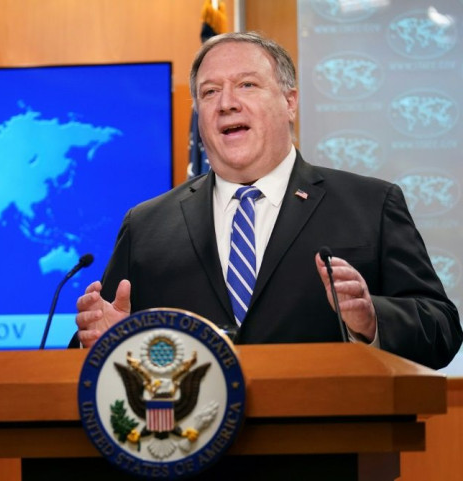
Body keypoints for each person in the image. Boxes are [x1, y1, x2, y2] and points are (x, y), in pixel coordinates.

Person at [73, 31, 462, 370]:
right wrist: (107, 341)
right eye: (210, 92)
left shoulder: (371, 204)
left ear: (290, 102)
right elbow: (94, 344)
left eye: (246, 85)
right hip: (191, 448)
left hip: (327, 447)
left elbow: (441, 329)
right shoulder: (147, 225)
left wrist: (373, 319)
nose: (226, 103)